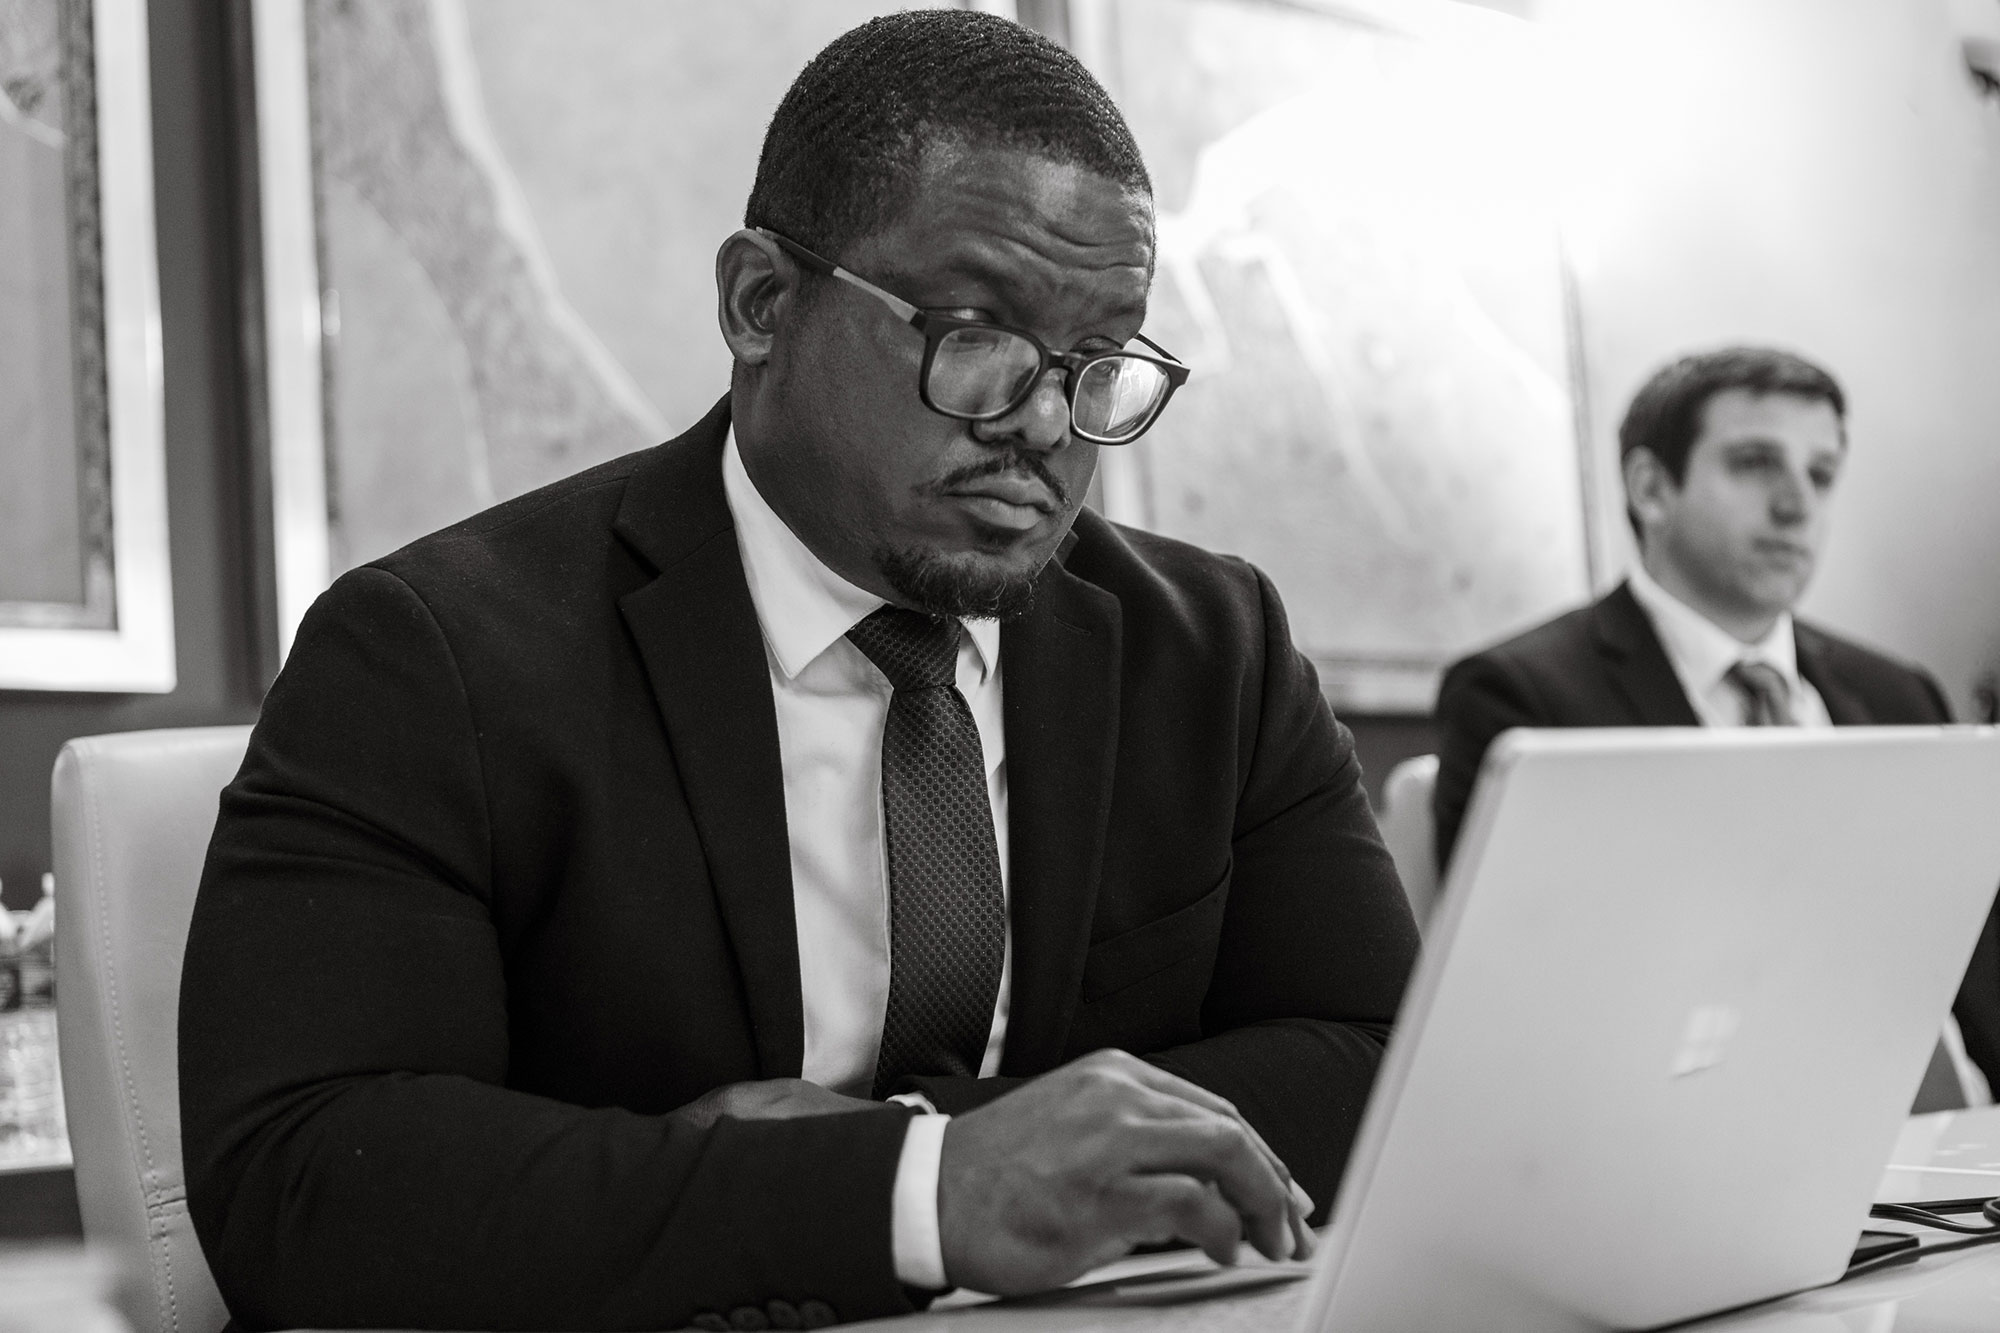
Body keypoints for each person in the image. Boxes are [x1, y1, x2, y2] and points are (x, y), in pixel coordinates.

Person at [179, 13, 1419, 1332]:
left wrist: (912, 1150)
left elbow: (1383, 1072)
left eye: (1099, 357)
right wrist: (909, 1195)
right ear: (761, 302)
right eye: (975, 331)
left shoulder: (1210, 650)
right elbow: (307, 1185)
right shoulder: (435, 655)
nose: (1046, 424)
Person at [1431, 344, 2000, 1092]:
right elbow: (1534, 999)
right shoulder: (1524, 696)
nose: (1797, 505)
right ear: (1651, 488)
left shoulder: (1901, 696)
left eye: (1820, 474)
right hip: (1684, 1121)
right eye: (1756, 463)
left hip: (1957, 1142)